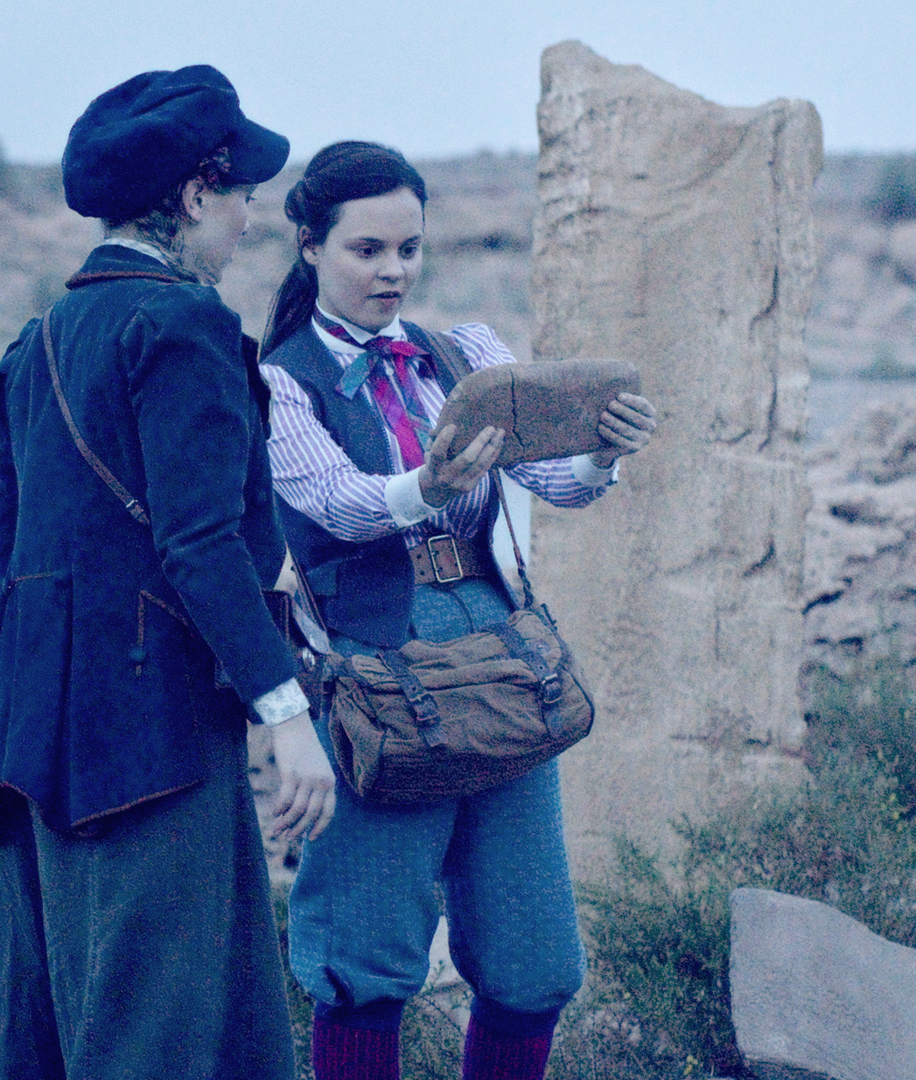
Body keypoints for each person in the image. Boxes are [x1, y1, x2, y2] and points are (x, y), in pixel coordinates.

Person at [0, 66, 334, 1080]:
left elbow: (11, 563)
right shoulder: (183, 327)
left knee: (48, 1029)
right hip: (149, 735)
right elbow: (198, 546)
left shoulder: (38, 345)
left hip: (30, 731)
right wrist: (285, 713)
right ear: (197, 194)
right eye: (240, 194)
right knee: (166, 1029)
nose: (249, 219)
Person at [257, 140, 658, 1080]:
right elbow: (339, 503)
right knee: (365, 952)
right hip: (375, 678)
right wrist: (429, 486)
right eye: (367, 250)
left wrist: (605, 454)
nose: (393, 270)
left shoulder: (463, 354)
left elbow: (551, 480)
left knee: (534, 954)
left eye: (409, 248)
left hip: (500, 665)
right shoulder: (276, 381)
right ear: (310, 246)